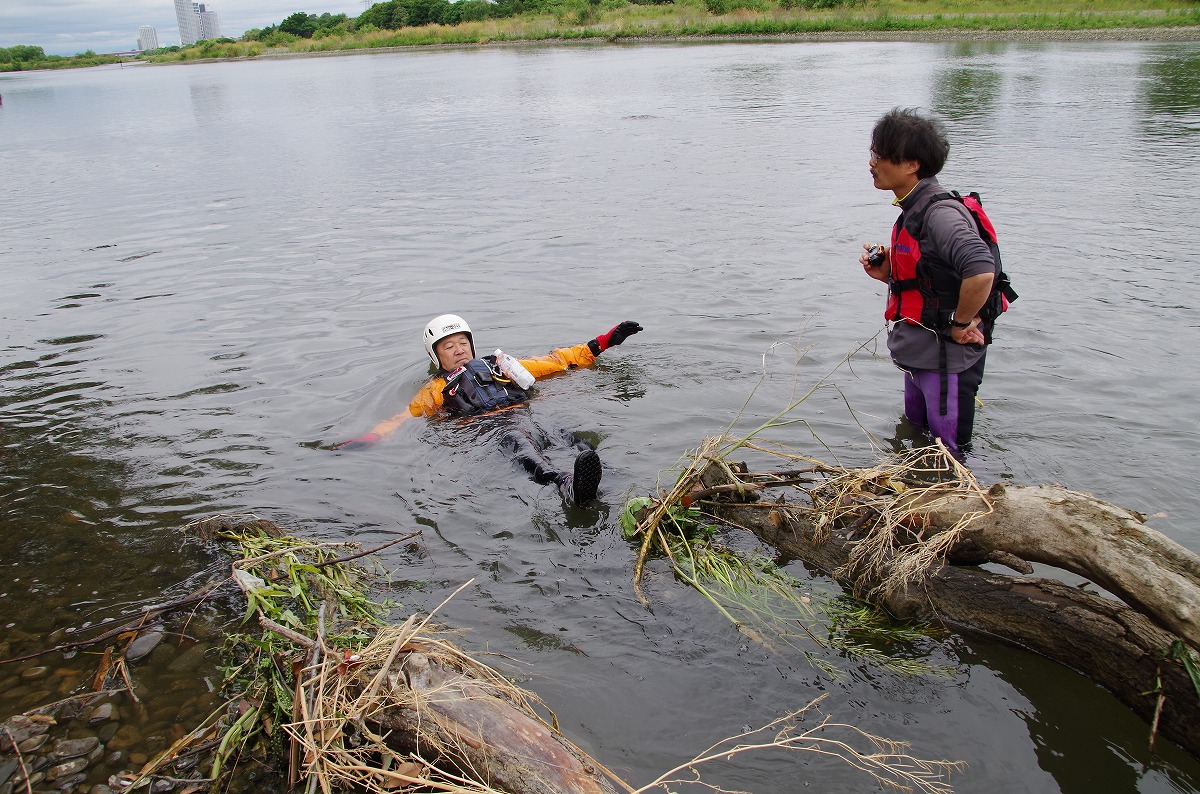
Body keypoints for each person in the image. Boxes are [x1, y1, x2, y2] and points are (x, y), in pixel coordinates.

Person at [335, 314, 643, 506]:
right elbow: (403, 418)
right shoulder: (434, 390)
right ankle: (565, 483)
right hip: (492, 429)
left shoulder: (499, 365)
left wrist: (603, 342)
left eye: (462, 342)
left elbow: (556, 362)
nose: (458, 350)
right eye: (448, 346)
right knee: (524, 448)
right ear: (435, 355)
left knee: (571, 437)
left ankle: (612, 477)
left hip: (526, 414)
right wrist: (372, 437)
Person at [859, 107, 996, 460]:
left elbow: (980, 271)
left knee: (950, 456)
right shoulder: (913, 210)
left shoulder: (940, 214)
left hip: (945, 357)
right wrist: (889, 272)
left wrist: (961, 324)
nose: (871, 162)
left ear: (911, 164)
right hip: (922, 353)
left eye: (879, 154)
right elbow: (933, 278)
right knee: (916, 438)